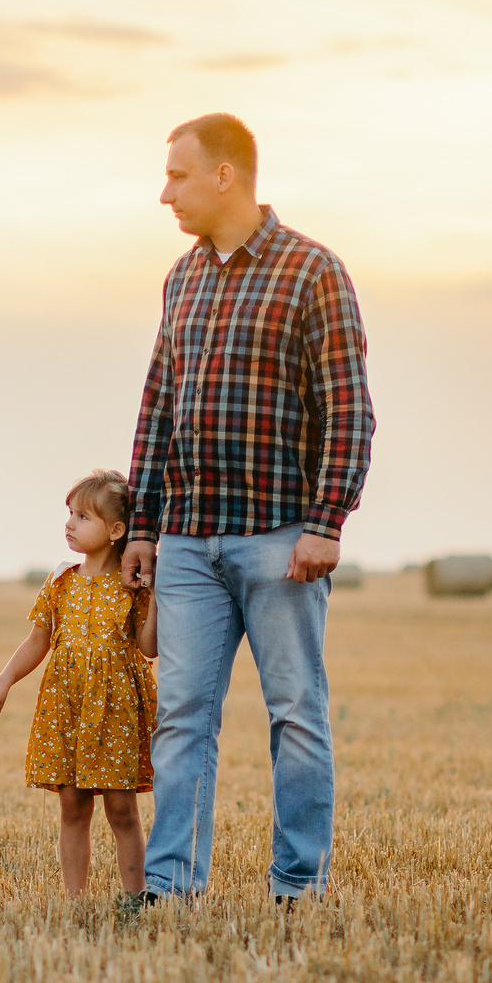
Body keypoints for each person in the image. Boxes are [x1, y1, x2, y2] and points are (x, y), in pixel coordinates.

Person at [120, 114, 374, 902]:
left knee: (296, 713)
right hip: (190, 542)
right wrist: (141, 523)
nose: (166, 193)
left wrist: (328, 520)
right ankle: (172, 888)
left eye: (179, 176)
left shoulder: (312, 272)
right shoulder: (181, 278)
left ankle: (298, 887)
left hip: (279, 539)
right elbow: (159, 404)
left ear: (226, 175)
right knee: (181, 719)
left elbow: (347, 409)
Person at [0, 470, 158, 896]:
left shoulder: (132, 587)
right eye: (70, 514)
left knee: (121, 808)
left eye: (83, 516)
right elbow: (37, 640)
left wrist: (158, 597)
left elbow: (148, 647)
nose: (70, 524)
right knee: (72, 804)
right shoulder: (60, 581)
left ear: (116, 530)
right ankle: (74, 898)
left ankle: (136, 896)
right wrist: (2, 682)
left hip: (115, 709)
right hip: (67, 704)